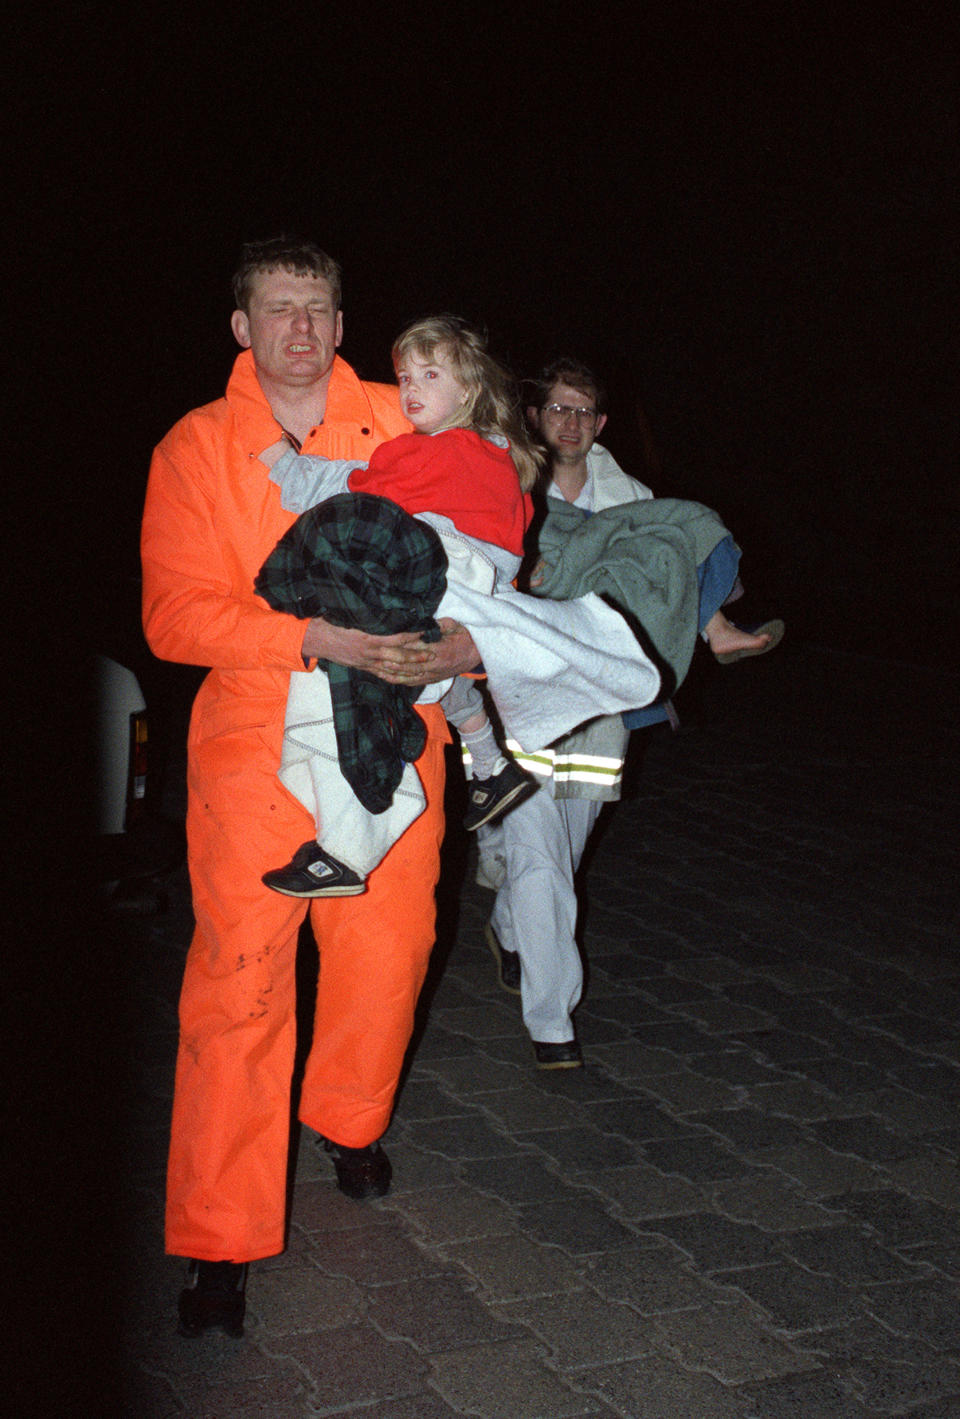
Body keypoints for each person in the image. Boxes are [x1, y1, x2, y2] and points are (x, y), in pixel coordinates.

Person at [141, 239, 484, 1339]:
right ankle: (218, 1236)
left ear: (344, 322)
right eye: (278, 309)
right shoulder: (197, 447)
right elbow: (177, 617)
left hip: (399, 717)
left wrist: (463, 646)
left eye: (320, 308)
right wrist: (309, 634)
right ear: (240, 328)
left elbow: (497, 551)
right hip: (254, 725)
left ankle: (347, 1115)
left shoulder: (409, 416)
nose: (301, 327)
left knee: (390, 954)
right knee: (240, 975)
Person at [479, 359, 783, 1069]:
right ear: (536, 417)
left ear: (601, 423)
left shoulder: (632, 498)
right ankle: (552, 1021)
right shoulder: (509, 481)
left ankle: (511, 925)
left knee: (563, 852)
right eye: (558, 409)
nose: (571, 423)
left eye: (584, 412)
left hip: (596, 699)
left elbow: (662, 587)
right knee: (535, 852)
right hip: (521, 688)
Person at [253, 315, 543, 898]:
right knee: (416, 665)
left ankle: (349, 846)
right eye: (404, 375)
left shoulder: (443, 452)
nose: (410, 389)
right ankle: (488, 764)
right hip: (469, 590)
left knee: (343, 683)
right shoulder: (493, 456)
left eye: (429, 374)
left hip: (442, 571)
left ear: (469, 388)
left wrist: (284, 467)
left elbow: (356, 487)